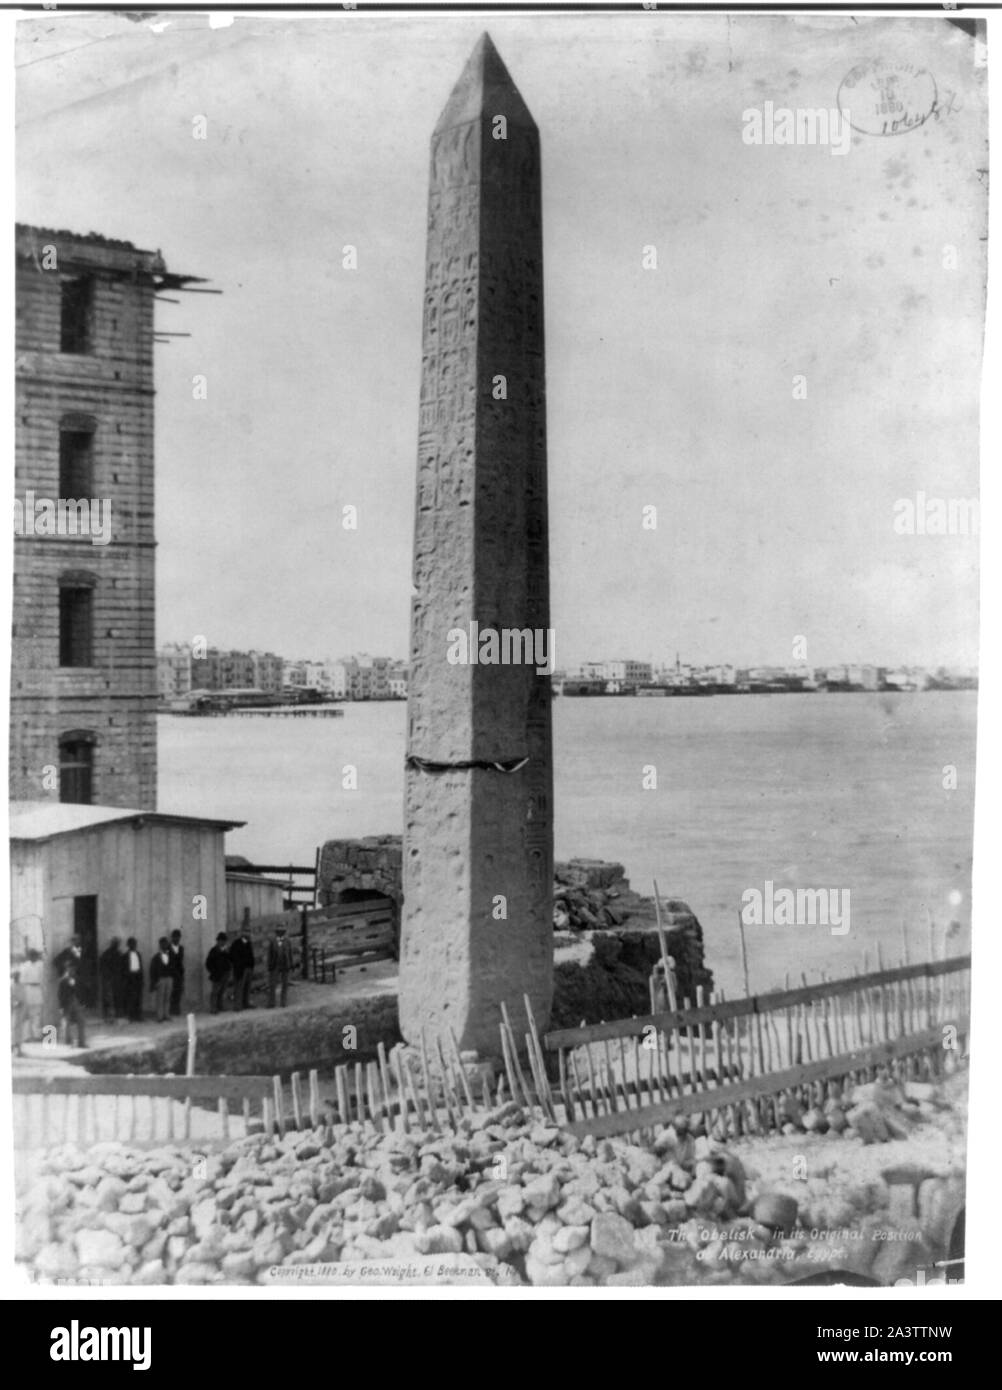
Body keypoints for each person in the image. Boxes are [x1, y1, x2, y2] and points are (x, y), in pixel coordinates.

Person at [57, 965, 86, 1048]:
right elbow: (60, 995)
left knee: (81, 1021)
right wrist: (61, 1007)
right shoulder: (62, 981)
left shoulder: (75, 979)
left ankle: (81, 1042)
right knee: (67, 1023)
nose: (72, 970)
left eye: (73, 969)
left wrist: (82, 1002)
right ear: (67, 970)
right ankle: (68, 1041)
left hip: (75, 1002)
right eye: (70, 969)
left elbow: (79, 991)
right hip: (67, 1003)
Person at [19, 949, 44, 1045]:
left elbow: (42, 978)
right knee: (26, 1014)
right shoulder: (24, 966)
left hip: (37, 989)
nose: (34, 957)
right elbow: (21, 980)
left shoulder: (40, 965)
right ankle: (26, 1036)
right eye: (32, 955)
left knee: (37, 1014)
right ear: (29, 956)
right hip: (27, 989)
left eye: (35, 955)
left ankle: (37, 1035)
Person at [266, 926, 293, 1008]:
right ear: (276, 933)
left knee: (285, 984)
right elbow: (269, 954)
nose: (281, 933)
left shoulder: (287, 941)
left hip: (285, 964)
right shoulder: (272, 941)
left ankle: (283, 1002)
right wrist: (269, 964)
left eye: (282, 932)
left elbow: (290, 953)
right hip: (275, 964)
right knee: (273, 984)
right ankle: (272, 1003)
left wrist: (291, 964)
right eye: (279, 932)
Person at [99, 938, 124, 1023]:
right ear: (112, 944)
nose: (116, 945)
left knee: (117, 997)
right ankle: (107, 1016)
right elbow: (102, 966)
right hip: (109, 979)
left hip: (117, 979)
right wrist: (108, 976)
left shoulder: (119, 953)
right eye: (115, 943)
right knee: (108, 998)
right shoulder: (106, 954)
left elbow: (122, 966)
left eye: (117, 944)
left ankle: (116, 1015)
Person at [229, 929, 255, 1011]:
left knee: (247, 987)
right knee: (239, 987)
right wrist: (238, 965)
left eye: (249, 932)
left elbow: (251, 955)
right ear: (242, 934)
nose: (248, 934)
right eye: (246, 932)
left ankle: (246, 1003)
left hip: (248, 969)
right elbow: (232, 956)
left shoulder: (249, 943)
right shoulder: (236, 944)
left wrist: (251, 966)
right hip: (240, 970)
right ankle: (237, 1006)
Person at [205, 933, 230, 1015]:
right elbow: (208, 963)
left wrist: (228, 970)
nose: (222, 943)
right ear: (218, 941)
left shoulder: (226, 951)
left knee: (222, 991)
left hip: (225, 973)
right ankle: (213, 1008)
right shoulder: (213, 950)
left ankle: (220, 1006)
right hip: (217, 974)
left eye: (224, 941)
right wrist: (213, 971)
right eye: (221, 941)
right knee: (215, 992)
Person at [150, 938, 173, 1022]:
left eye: (166, 944)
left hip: (169, 978)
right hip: (161, 979)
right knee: (160, 998)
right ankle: (159, 1016)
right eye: (163, 944)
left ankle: (166, 1015)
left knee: (167, 997)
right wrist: (155, 981)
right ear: (160, 945)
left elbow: (173, 967)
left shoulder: (170, 955)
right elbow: (152, 970)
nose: (165, 945)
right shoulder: (156, 957)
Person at [123, 937, 144, 1022]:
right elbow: (123, 969)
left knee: (138, 997)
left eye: (135, 943)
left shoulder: (138, 954)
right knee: (130, 997)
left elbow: (140, 966)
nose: (134, 945)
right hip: (130, 978)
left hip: (137, 977)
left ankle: (138, 1016)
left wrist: (141, 978)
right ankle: (131, 1016)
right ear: (128, 945)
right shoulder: (125, 956)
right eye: (132, 944)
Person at [168, 930, 185, 1017]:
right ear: (172, 938)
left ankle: (176, 1009)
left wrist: (181, 973)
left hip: (179, 973)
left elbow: (180, 961)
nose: (177, 939)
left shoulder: (181, 948)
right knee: (171, 992)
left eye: (178, 937)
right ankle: (171, 1010)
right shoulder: (168, 948)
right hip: (171, 974)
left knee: (178, 991)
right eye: (175, 937)